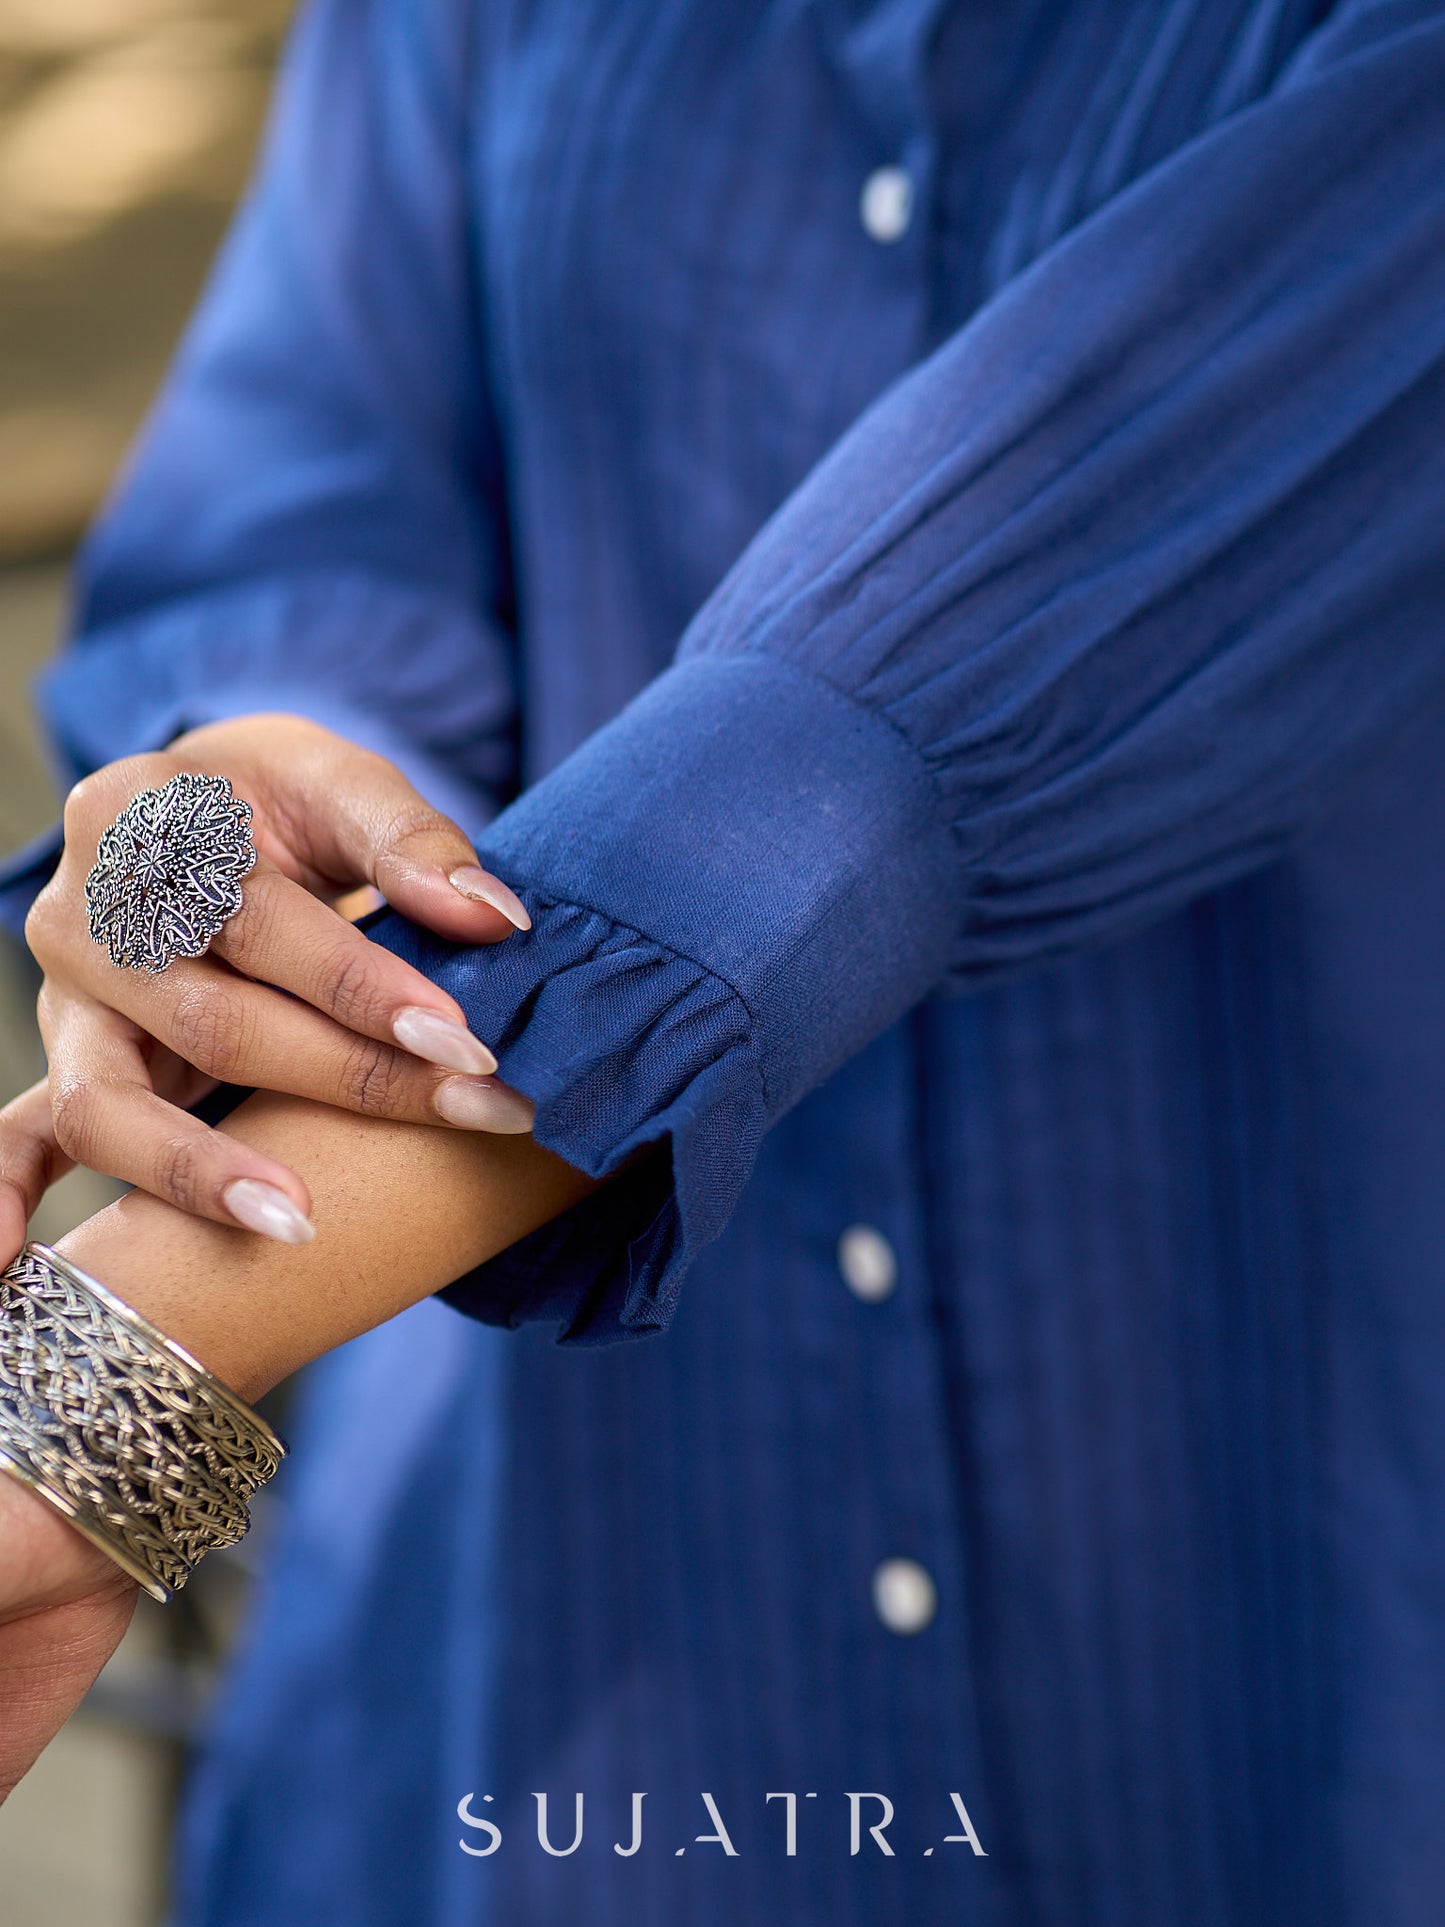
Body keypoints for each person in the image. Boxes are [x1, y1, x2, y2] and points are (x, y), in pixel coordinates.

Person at [2, 0, 1445, 1919]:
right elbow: (313, 504)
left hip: (1276, 1542)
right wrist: (253, 807)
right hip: (551, 1620)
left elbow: (957, 660)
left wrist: (94, 1399)